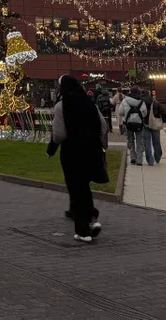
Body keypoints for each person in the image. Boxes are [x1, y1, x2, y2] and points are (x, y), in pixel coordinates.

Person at [48, 75, 107, 243]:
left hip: (72, 152)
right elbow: (103, 127)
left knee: (76, 188)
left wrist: (53, 145)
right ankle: (90, 217)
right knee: (84, 187)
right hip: (92, 150)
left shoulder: (62, 106)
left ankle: (83, 230)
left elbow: (59, 135)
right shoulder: (89, 103)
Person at [118, 87, 147, 166]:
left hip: (128, 123)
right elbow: (145, 113)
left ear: (130, 92)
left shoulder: (125, 101)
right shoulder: (141, 102)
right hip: (139, 124)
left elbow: (120, 112)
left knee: (130, 139)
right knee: (139, 140)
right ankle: (139, 159)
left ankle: (132, 157)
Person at [143, 91, 166, 166]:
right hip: (155, 124)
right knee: (156, 141)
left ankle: (150, 160)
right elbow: (164, 112)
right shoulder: (156, 103)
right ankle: (157, 157)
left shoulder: (141, 102)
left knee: (147, 142)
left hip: (145, 124)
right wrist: (163, 120)